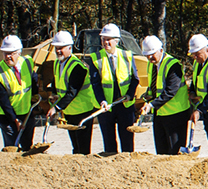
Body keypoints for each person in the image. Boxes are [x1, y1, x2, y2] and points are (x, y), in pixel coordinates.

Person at [46, 31, 104, 155]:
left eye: (61, 48)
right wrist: (54, 97)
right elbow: (57, 83)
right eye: (56, 48)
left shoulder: (77, 67)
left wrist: (56, 108)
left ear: (69, 47)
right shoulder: (57, 63)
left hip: (82, 110)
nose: (58, 51)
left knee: (83, 148)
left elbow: (72, 91)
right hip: (70, 111)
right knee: (75, 146)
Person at [90, 23, 140, 153]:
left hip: (125, 106)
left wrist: (129, 94)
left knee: (127, 140)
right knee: (109, 141)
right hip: (107, 107)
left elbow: (135, 79)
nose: (106, 42)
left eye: (109, 39)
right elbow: (95, 84)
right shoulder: (96, 58)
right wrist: (102, 101)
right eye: (103, 39)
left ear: (116, 40)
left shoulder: (127, 56)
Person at [139, 36, 191, 155]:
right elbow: (155, 87)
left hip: (176, 113)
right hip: (160, 113)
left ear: (161, 50)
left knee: (175, 150)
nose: (150, 57)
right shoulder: (151, 65)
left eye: (152, 54)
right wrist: (148, 97)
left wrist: (151, 104)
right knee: (161, 151)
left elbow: (170, 91)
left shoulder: (173, 65)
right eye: (147, 55)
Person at [0, 35, 39, 151]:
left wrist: (35, 95)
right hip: (7, 116)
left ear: (19, 52)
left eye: (11, 53)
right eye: (5, 53)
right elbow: (3, 100)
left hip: (26, 112)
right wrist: (14, 119)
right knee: (12, 148)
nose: (7, 57)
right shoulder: (0, 72)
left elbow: (34, 78)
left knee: (27, 146)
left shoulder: (27, 62)